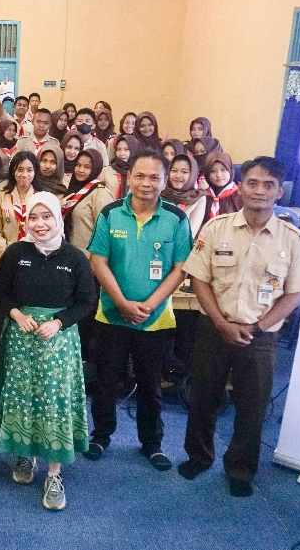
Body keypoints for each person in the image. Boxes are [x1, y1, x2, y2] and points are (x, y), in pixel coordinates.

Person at [178, 156, 300, 497]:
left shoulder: (292, 239)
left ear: (279, 191)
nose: (259, 191)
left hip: (261, 336)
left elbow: (295, 293)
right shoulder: (216, 228)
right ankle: (198, 456)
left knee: (252, 407)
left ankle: (240, 468)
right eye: (252, 183)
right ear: (240, 187)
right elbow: (199, 279)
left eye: (269, 185)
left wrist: (259, 327)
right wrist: (221, 323)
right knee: (203, 397)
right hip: (214, 328)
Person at [0, 191, 95, 511]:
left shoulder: (75, 257)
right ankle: (25, 454)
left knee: (54, 402)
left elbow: (87, 301)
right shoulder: (15, 252)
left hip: (59, 342)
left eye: (46, 216)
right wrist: (17, 315)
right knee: (23, 397)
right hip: (21, 337)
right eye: (33, 217)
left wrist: (59, 322)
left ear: (58, 218)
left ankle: (54, 474)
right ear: (25, 220)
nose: (40, 223)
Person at [85, 148, 192, 470]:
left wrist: (149, 305)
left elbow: (180, 268)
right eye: (140, 176)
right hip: (111, 315)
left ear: (165, 181)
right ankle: (100, 436)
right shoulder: (110, 213)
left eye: (154, 177)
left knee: (151, 385)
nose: (146, 183)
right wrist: (121, 302)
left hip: (155, 320)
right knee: (106, 382)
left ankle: (152, 443)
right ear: (128, 178)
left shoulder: (176, 218)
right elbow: (98, 261)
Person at [0, 152, 40, 265]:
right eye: (20, 170)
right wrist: (8, 251)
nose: (24, 174)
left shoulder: (40, 198)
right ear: (13, 171)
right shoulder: (1, 196)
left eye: (29, 170)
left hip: (33, 257)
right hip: (5, 256)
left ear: (35, 172)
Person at [62, 149, 114, 252]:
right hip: (69, 253)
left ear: (95, 169)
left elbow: (106, 231)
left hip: (88, 256)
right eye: (78, 165)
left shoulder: (101, 193)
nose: (80, 170)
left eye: (87, 167)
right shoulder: (74, 189)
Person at [162, 152, 208, 239]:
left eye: (184, 172)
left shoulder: (198, 198)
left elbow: (189, 234)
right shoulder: (160, 192)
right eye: (174, 170)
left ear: (192, 175)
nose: (178, 175)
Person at [98, 134, 141, 199]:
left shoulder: (140, 172)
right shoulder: (106, 171)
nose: (121, 153)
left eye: (126, 149)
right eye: (118, 149)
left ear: (134, 150)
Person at [203, 151, 241, 222]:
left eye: (223, 170)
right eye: (213, 171)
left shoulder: (240, 196)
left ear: (230, 170)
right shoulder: (203, 196)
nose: (219, 175)